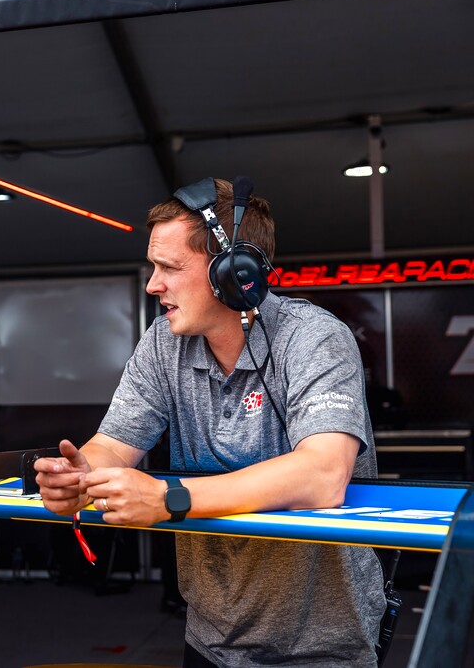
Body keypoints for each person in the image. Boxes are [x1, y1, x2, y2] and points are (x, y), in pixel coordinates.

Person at [35, 178, 385, 667]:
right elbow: (114, 445)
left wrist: (167, 499)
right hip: (209, 638)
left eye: (169, 268)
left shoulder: (314, 340)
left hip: (321, 648)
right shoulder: (164, 342)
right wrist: (80, 475)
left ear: (233, 272)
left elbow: (322, 475)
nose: (153, 284)